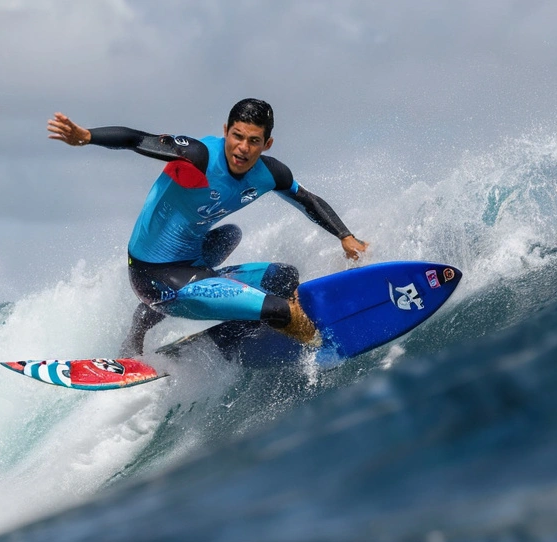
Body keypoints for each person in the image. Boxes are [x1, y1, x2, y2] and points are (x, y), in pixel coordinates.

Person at [47, 98, 367, 356]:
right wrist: (86, 136)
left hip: (194, 262)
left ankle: (249, 319)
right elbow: (136, 139)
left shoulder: (270, 175)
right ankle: (322, 347)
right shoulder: (197, 156)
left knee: (281, 275)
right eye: (237, 136)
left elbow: (308, 200)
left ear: (267, 144)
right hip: (152, 275)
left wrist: (346, 236)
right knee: (278, 308)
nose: (242, 148)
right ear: (226, 130)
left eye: (253, 141)